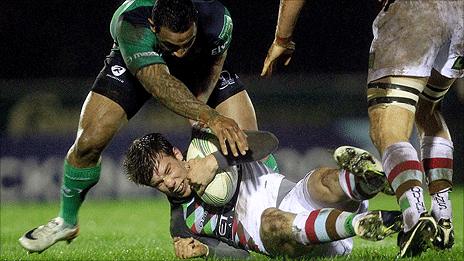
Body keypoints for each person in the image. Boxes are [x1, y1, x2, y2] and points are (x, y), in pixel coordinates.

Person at [19, 0, 280, 253]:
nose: (179, 53)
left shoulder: (217, 19)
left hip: (199, 67)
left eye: (185, 43)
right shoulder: (131, 25)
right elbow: (160, 85)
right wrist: (211, 118)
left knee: (245, 140)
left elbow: (212, 67)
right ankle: (66, 220)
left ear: (196, 24)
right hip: (143, 65)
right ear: (153, 26)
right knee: (89, 141)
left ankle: (275, 208)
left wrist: (203, 120)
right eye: (172, 45)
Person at [260, 0, 462, 258]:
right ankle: (443, 219)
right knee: (428, 109)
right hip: (459, 16)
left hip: (416, 11)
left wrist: (282, 38)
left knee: (387, 125)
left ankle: (415, 218)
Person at [123, 130, 402, 259]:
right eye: (159, 183)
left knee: (320, 179)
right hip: (283, 240)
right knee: (271, 220)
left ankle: (366, 183)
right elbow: (237, 256)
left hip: (293, 199)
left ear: (176, 153)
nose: (170, 183)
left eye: (168, 170)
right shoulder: (183, 222)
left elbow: (268, 141)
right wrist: (204, 251)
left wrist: (215, 162)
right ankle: (361, 223)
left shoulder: (210, 147)